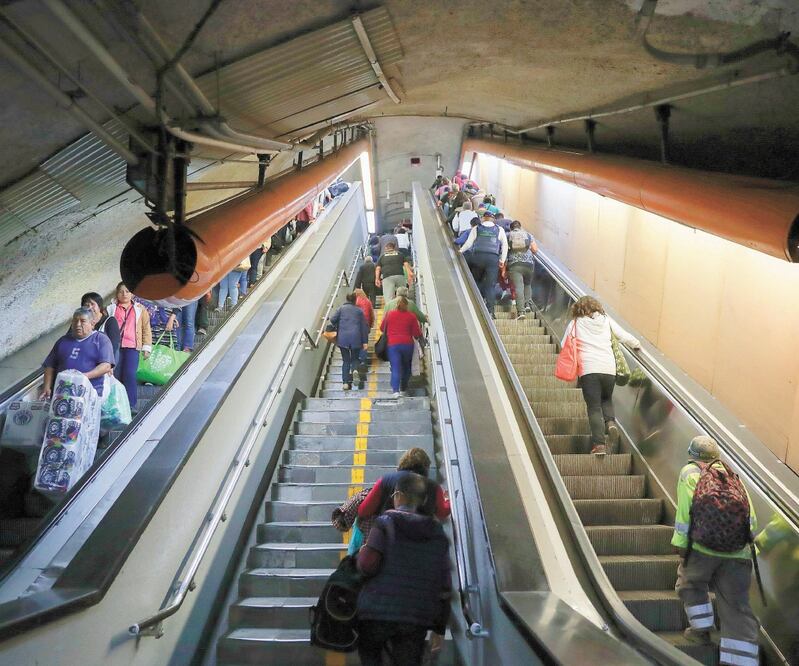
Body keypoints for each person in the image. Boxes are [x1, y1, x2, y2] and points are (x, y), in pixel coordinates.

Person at [672, 436, 760, 665]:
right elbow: (751, 518)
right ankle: (741, 661)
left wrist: (681, 545)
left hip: (703, 549)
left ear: (691, 455)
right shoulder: (733, 476)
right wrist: (743, 547)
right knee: (737, 606)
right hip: (739, 552)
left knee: (689, 583)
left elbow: (684, 514)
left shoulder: (689, 473)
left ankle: (701, 631)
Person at [356, 472, 451, 666]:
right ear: (423, 500)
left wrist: (362, 553)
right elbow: (444, 584)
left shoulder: (385, 522)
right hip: (416, 615)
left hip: (377, 610)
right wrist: (439, 627)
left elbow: (366, 566)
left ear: (397, 495)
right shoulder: (437, 532)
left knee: (371, 656)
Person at [561, 296, 640, 455]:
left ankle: (599, 445)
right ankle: (610, 423)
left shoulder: (575, 323)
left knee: (594, 407)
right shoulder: (606, 320)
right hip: (609, 369)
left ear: (578, 309)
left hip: (589, 370)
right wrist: (637, 344)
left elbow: (564, 345)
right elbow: (623, 335)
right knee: (606, 398)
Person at [357, 447, 450, 534]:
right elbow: (442, 513)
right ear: (426, 467)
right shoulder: (433, 487)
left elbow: (363, 511)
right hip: (420, 538)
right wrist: (448, 501)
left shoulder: (385, 480)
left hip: (387, 537)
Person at [41, 307, 115, 399]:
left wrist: (83, 377)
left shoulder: (101, 340)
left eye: (83, 321)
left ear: (92, 324)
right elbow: (50, 365)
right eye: (75, 321)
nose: (78, 324)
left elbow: (106, 366)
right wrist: (46, 387)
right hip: (61, 393)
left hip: (90, 393)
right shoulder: (63, 340)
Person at [107, 282, 152, 409]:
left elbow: (146, 328)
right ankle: (115, 405)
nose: (124, 294)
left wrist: (146, 347)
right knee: (115, 375)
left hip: (132, 346)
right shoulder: (111, 309)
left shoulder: (140, 309)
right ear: (117, 294)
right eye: (121, 291)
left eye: (127, 291)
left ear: (132, 293)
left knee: (130, 374)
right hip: (114, 347)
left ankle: (131, 405)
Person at [459, 210, 508, 317]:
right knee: (490, 286)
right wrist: (502, 260)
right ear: (493, 219)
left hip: (478, 257)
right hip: (492, 258)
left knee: (477, 282)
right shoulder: (499, 229)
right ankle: (490, 311)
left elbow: (468, 244)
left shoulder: (477, 228)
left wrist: (460, 251)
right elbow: (505, 245)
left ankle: (477, 306)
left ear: (483, 219)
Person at [380, 296, 422, 398]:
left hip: (393, 345)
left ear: (396, 305)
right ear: (406, 305)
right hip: (407, 345)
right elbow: (416, 333)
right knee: (406, 367)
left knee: (395, 367)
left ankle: (396, 391)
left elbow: (382, 328)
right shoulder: (411, 316)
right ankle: (403, 388)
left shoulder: (390, 314)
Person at [330, 292, 369, 391]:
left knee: (346, 361)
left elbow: (332, 320)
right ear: (355, 300)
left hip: (343, 339)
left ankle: (345, 383)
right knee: (355, 358)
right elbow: (364, 327)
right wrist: (365, 342)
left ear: (347, 299)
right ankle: (354, 370)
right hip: (356, 338)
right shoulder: (359, 311)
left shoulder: (341, 309)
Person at [505, 220, 539, 320]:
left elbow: (504, 250)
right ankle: (527, 304)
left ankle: (521, 312)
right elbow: (535, 249)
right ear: (520, 227)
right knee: (527, 284)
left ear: (511, 228)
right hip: (529, 264)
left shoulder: (508, 235)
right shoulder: (528, 235)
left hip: (514, 264)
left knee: (519, 287)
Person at [81, 292, 120, 363]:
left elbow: (114, 344)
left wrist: (108, 363)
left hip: (104, 360)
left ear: (99, 306)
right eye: (86, 305)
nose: (89, 307)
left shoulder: (110, 321)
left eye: (92, 304)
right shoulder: (79, 321)